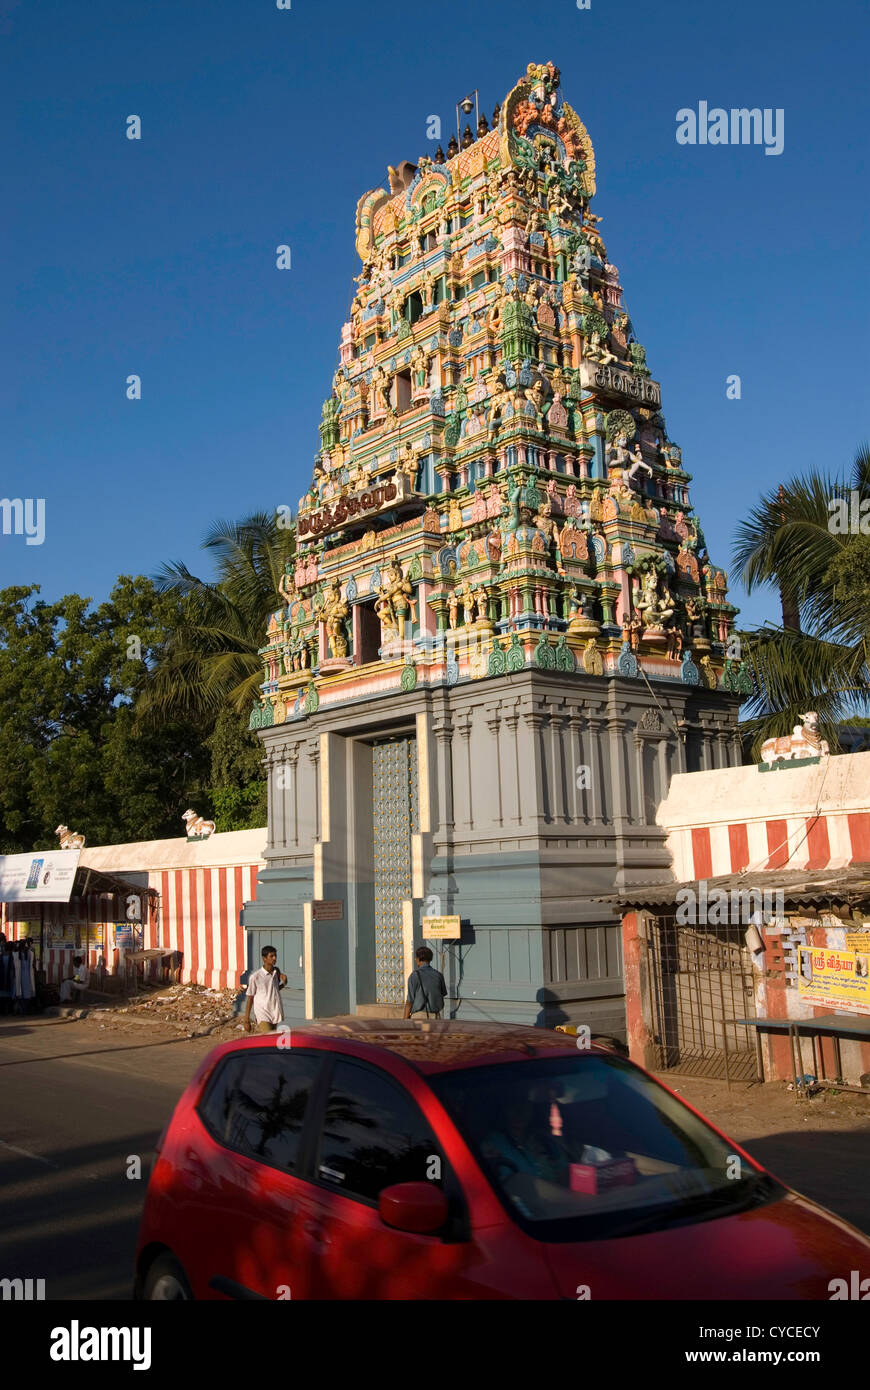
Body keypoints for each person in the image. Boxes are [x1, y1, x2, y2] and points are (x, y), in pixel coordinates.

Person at [243, 945, 287, 1033]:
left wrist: (284, 983)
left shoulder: (276, 972)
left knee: (272, 1040)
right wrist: (246, 1021)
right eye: (271, 956)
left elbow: (275, 989)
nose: (274, 958)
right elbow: (250, 998)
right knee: (268, 1036)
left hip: (274, 1011)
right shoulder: (255, 977)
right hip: (262, 1013)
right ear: (264, 958)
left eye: (275, 956)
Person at [403, 946, 447, 1020]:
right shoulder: (439, 975)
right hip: (435, 1017)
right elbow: (442, 994)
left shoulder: (414, 975)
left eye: (416, 958)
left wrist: (404, 1021)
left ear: (418, 959)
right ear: (430, 959)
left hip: (419, 1017)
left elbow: (409, 1002)